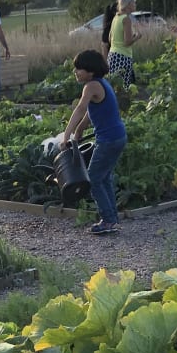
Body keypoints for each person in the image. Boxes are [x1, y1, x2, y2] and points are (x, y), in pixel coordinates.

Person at [61, 50, 128, 236]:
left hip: (109, 140)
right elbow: (91, 113)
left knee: (94, 179)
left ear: (90, 71)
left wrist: (66, 135)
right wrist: (79, 131)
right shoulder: (102, 84)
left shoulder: (90, 86)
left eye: (79, 69)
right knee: (104, 177)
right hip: (117, 137)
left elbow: (81, 109)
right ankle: (112, 218)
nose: (76, 72)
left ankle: (107, 220)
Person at [107, 0, 141, 87]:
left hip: (112, 55)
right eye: (133, 3)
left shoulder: (116, 18)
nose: (135, 5)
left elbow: (110, 38)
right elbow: (127, 42)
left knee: (113, 86)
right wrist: (137, 37)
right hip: (123, 57)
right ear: (128, 4)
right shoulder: (126, 19)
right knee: (124, 88)